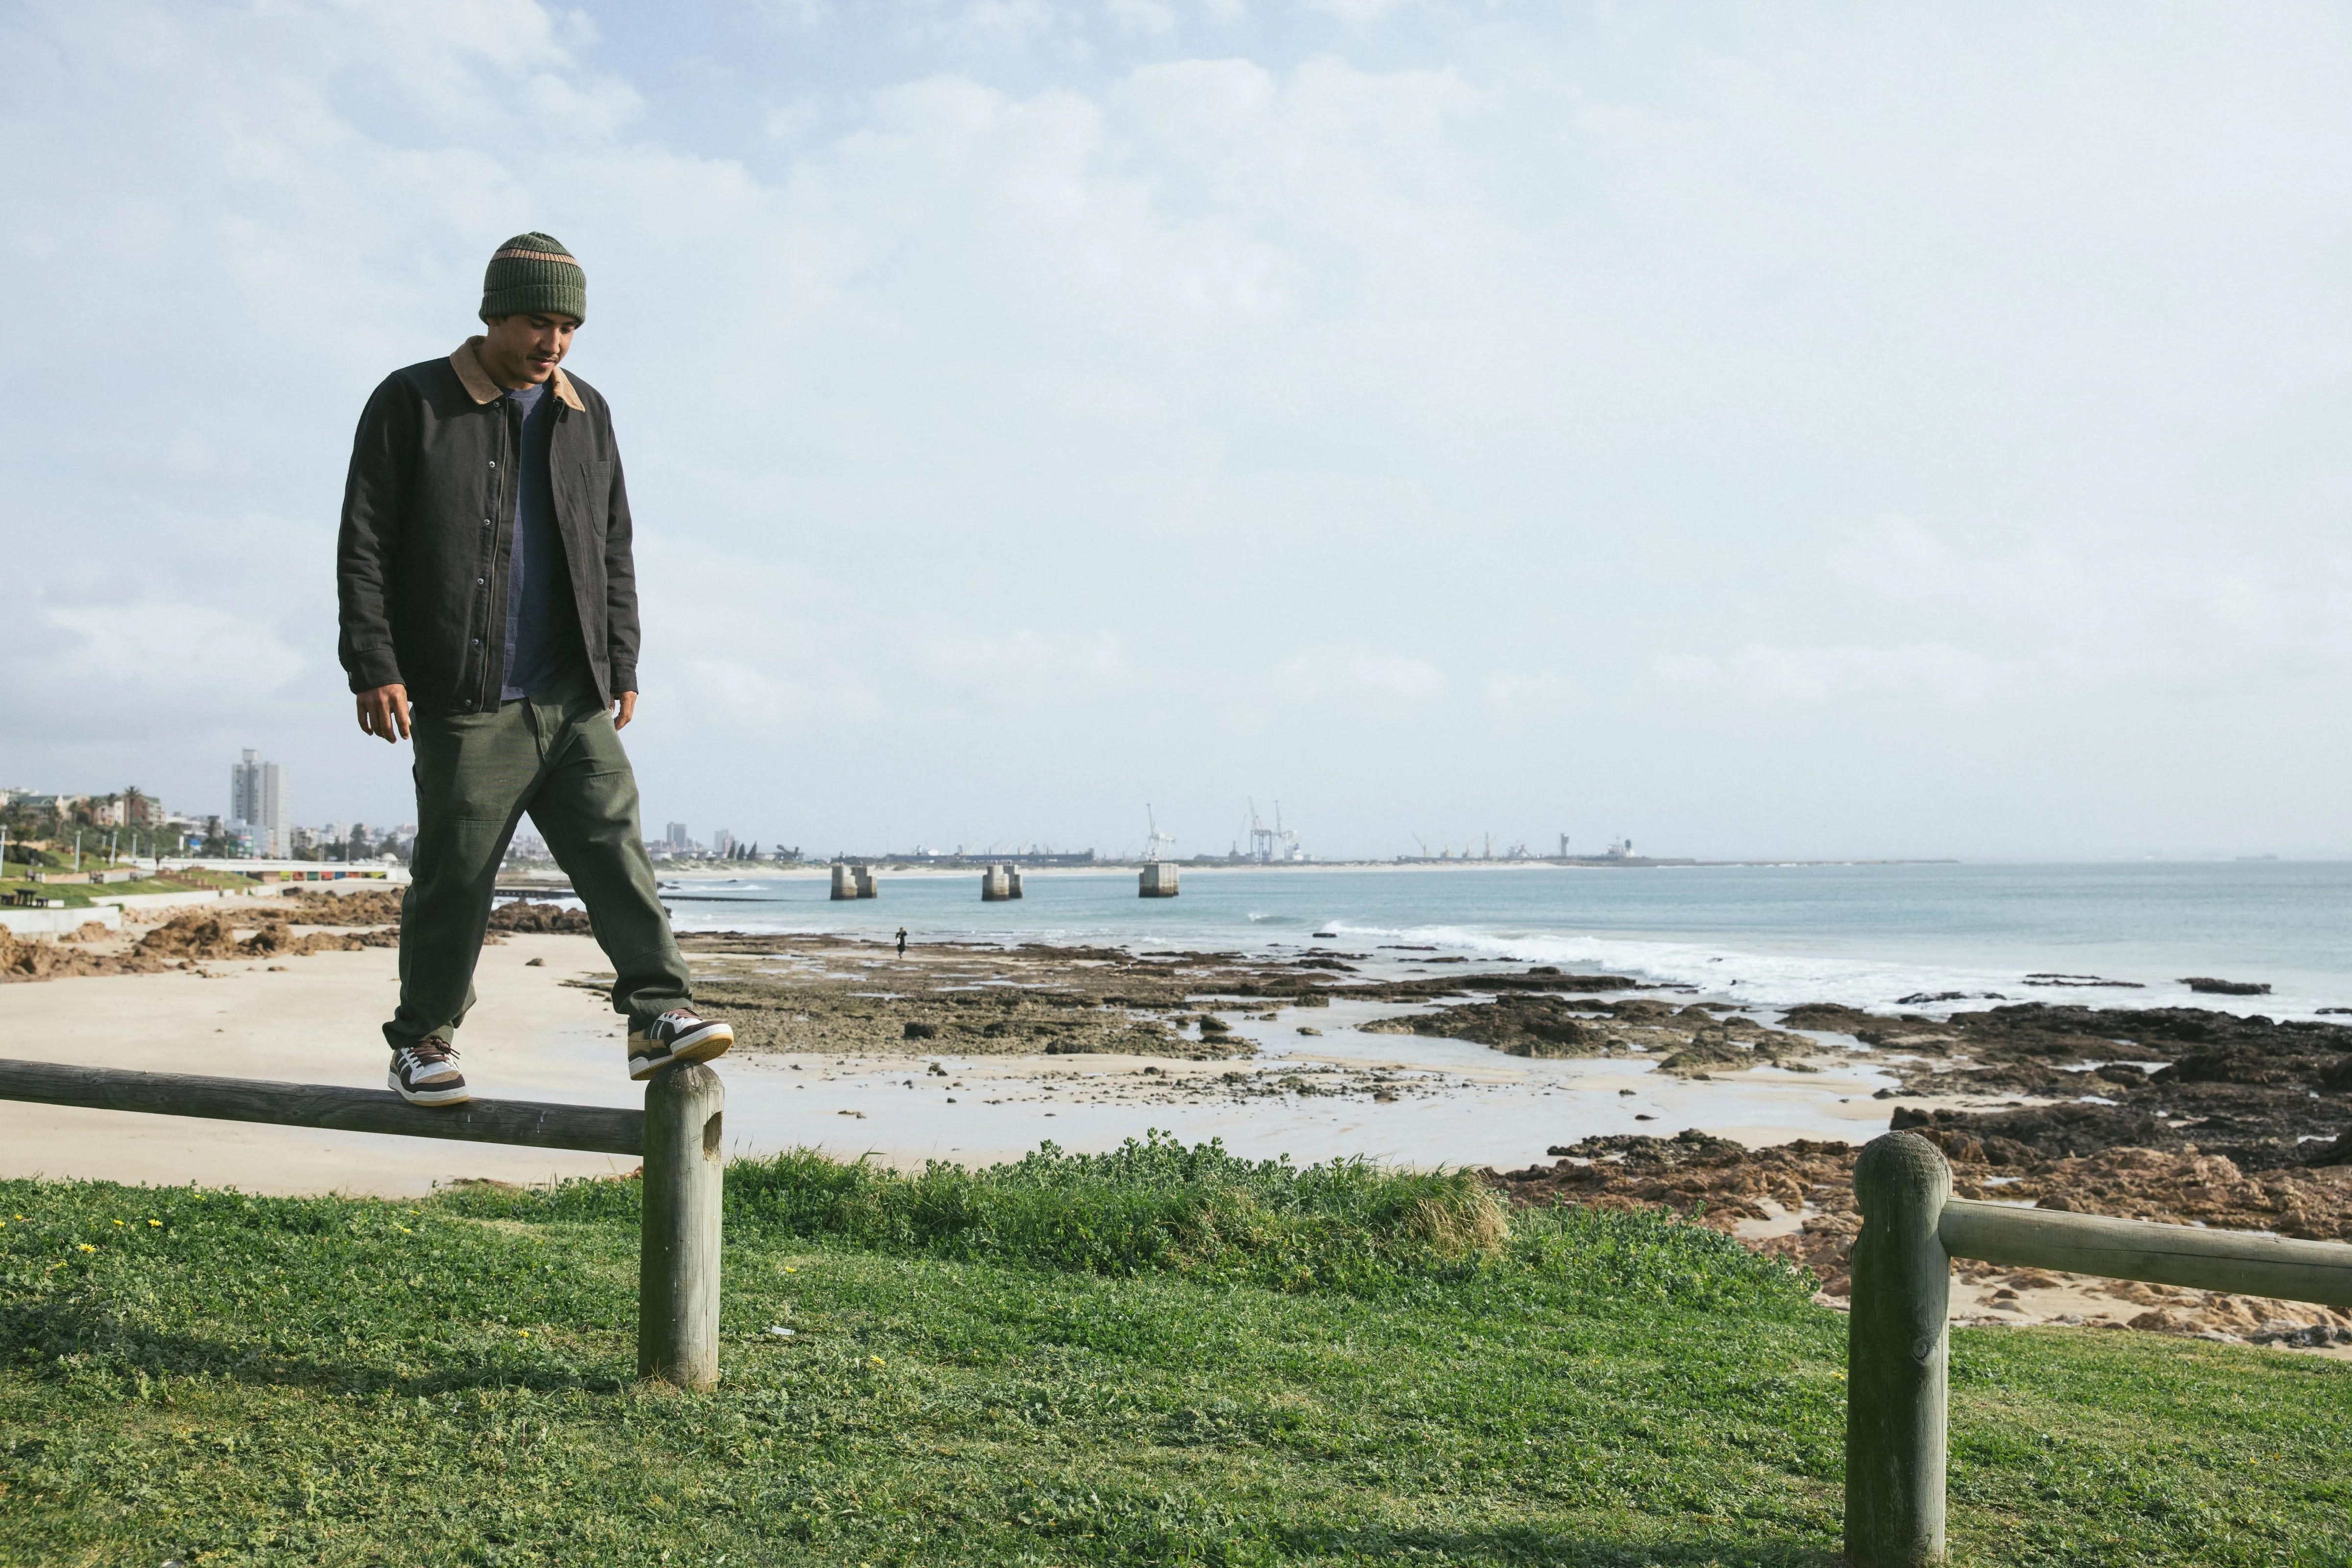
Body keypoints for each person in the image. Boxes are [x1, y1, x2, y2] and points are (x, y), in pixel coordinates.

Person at [338, 232, 731, 1107]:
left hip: (575, 690)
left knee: (618, 853)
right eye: (536, 323)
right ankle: (423, 1042)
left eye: (567, 327)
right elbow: (364, 541)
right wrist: (373, 660)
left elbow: (613, 544)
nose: (552, 343)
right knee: (457, 872)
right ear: (492, 315)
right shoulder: (413, 401)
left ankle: (656, 1014)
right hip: (466, 696)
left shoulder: (587, 411)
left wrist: (621, 657)